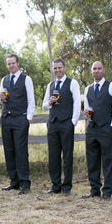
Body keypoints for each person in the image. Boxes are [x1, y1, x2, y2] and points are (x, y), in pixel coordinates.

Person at [83, 60, 112, 200]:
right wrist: (88, 114)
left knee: (107, 161)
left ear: (103, 70)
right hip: (92, 128)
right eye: (94, 69)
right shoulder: (88, 89)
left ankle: (107, 191)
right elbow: (89, 109)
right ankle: (94, 190)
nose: (97, 71)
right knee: (92, 160)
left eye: (99, 68)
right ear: (91, 71)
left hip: (105, 128)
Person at [42, 58, 81, 196]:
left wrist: (73, 122)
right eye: (55, 68)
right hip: (52, 123)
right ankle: (55, 185)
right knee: (53, 156)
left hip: (66, 123)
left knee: (67, 156)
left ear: (64, 68)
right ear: (52, 69)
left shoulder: (72, 83)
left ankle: (67, 187)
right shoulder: (50, 85)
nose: (57, 70)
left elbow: (77, 103)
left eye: (59, 68)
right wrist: (50, 102)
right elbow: (44, 106)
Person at [0, 53, 34, 194]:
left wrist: (28, 118)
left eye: (13, 63)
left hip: (21, 118)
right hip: (6, 118)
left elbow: (31, 100)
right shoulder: (4, 80)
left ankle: (24, 183)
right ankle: (14, 181)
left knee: (21, 151)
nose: (11, 66)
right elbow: (1, 99)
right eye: (8, 64)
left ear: (18, 63)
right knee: (9, 150)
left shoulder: (26, 79)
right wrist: (1, 98)